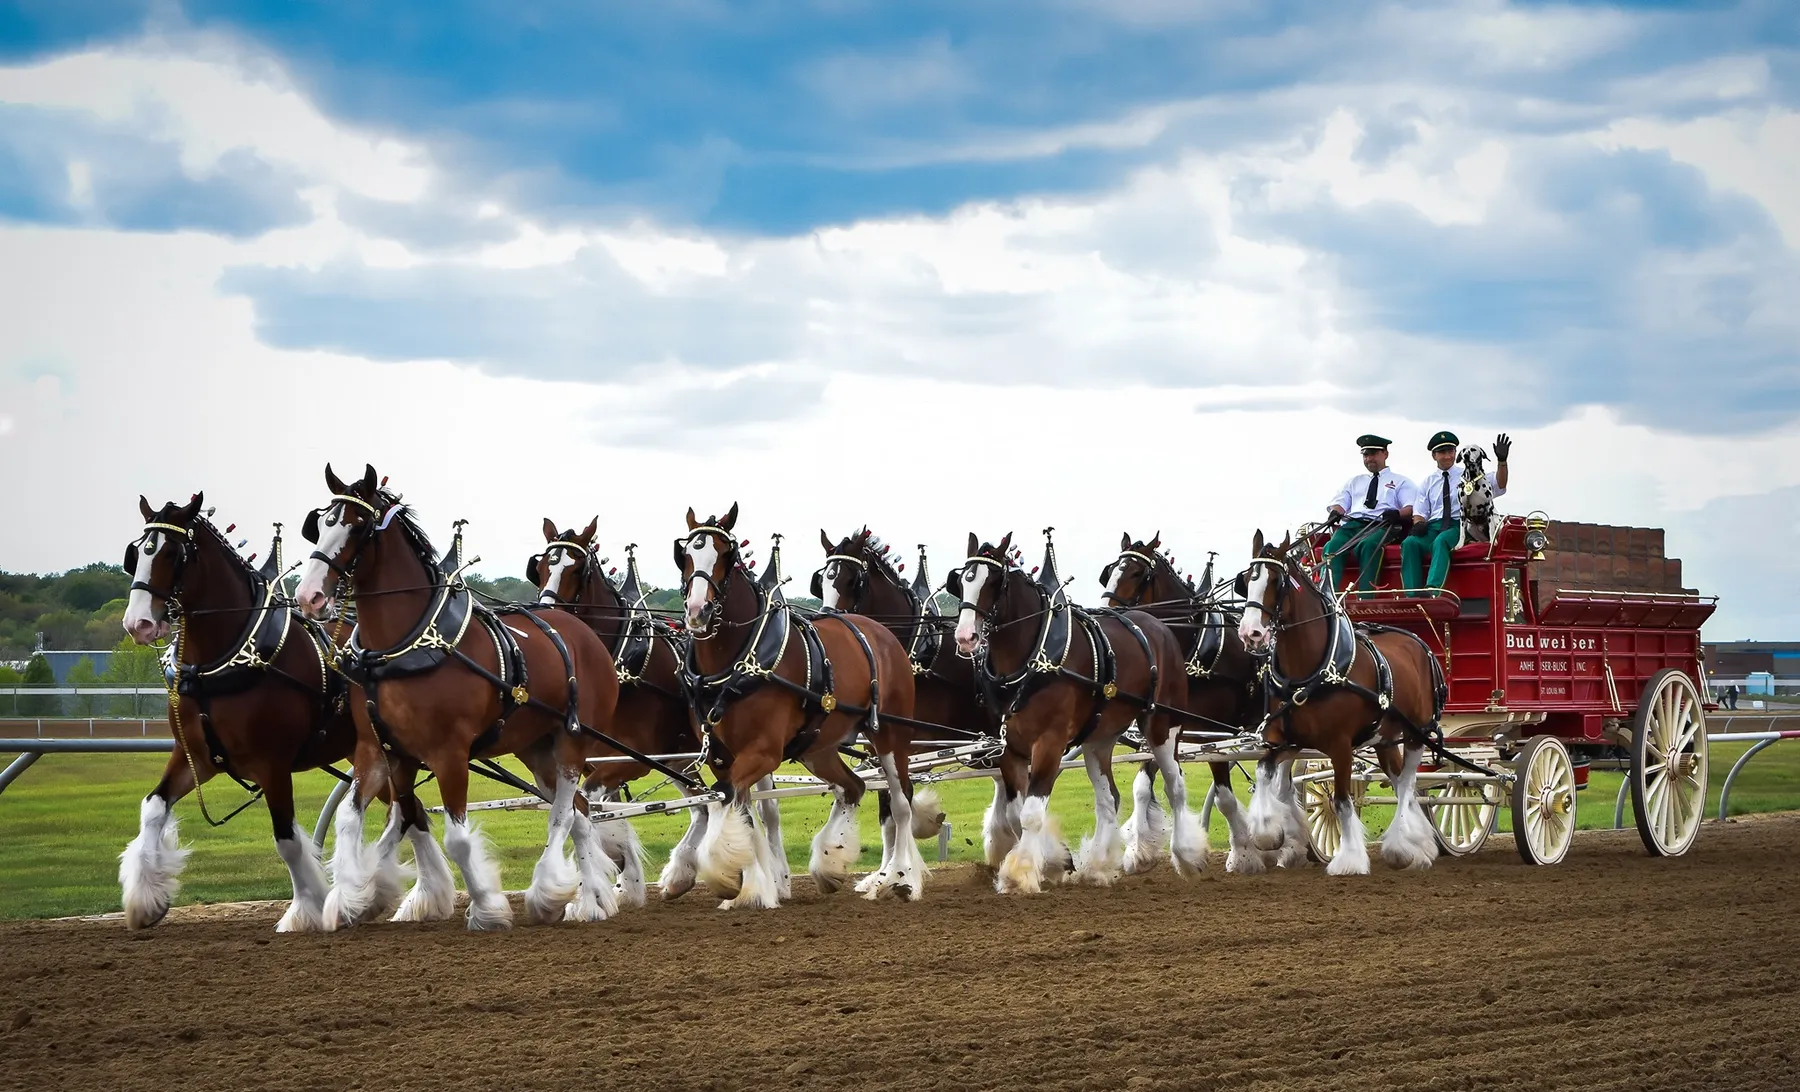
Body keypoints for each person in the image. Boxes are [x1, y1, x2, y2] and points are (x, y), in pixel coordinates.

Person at [1402, 431, 1511, 591]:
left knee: (1441, 542)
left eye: (1450, 451)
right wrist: (1418, 524)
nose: (1447, 456)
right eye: (1442, 452)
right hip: (1434, 526)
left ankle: (1433, 590)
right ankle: (1411, 594)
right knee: (1409, 543)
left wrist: (1502, 461)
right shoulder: (1427, 482)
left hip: (1458, 525)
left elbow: (1499, 484)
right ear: (1434, 456)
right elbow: (1420, 512)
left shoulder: (1470, 475)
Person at [1323, 434, 1417, 591]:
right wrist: (1335, 512)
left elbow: (1412, 507)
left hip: (1382, 525)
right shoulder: (1354, 481)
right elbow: (1340, 503)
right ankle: (1327, 595)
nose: (1369, 459)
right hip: (1352, 525)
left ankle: (1366, 595)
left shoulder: (1401, 481)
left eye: (1373, 454)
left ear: (1385, 454)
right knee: (1332, 546)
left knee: (1369, 545)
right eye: (1365, 455)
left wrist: (1397, 514)